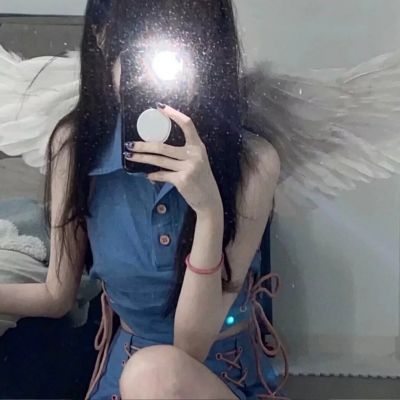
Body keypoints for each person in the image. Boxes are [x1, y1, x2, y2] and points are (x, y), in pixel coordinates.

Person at [0, 0, 289, 399]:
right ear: (102, 39)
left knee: (154, 375)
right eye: (137, 48)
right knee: (147, 375)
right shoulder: (76, 147)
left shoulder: (252, 163)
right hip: (123, 376)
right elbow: (56, 295)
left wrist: (208, 211)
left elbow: (190, 347)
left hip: (221, 379)